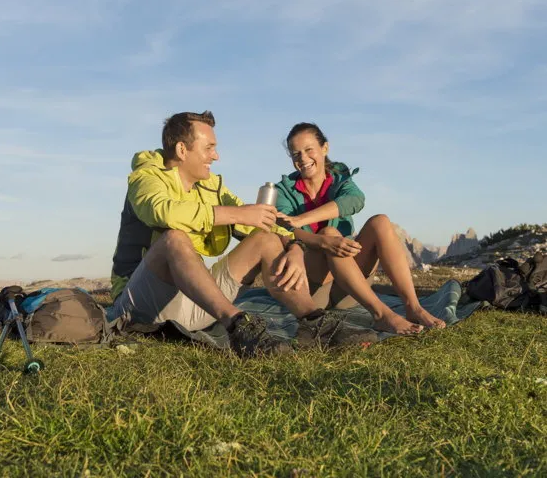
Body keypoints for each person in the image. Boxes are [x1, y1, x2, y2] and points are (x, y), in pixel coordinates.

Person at [109, 111, 378, 357]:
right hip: (141, 308)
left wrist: (295, 246)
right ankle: (240, 327)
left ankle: (314, 323)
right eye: (209, 148)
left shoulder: (211, 186)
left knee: (265, 239)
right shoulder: (147, 176)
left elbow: (260, 222)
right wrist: (236, 214)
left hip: (195, 306)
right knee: (174, 238)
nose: (216, 156)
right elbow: (162, 212)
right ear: (182, 149)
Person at [273, 122, 446, 334]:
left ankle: (413, 307)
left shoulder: (340, 177)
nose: (303, 159)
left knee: (380, 221)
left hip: (352, 286)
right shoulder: (283, 190)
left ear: (324, 148)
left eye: (309, 150)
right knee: (329, 233)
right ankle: (382, 315)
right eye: (296, 154)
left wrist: (302, 219)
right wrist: (323, 241)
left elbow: (355, 200)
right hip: (317, 290)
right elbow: (285, 231)